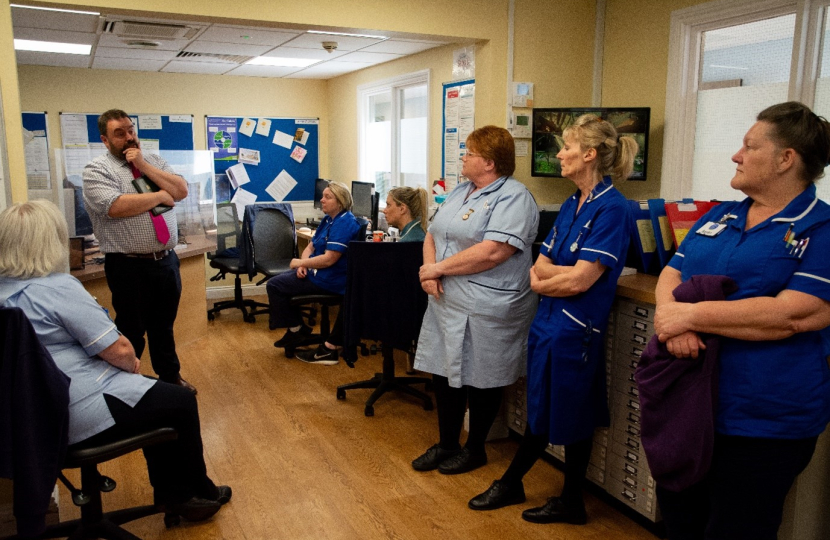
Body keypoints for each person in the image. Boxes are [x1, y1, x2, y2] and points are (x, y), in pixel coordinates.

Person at [650, 102, 830, 540]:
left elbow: (792, 313)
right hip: (690, 405)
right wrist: (673, 320)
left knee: (737, 528)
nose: (736, 155)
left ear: (786, 159)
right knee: (678, 521)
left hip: (763, 418)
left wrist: (687, 316)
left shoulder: (820, 228)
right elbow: (672, 273)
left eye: (749, 146)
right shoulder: (719, 216)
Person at [0, 200, 231, 524]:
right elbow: (122, 352)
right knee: (179, 400)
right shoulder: (56, 288)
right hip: (70, 409)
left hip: (24, 418)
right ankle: (195, 494)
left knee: (155, 394)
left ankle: (174, 493)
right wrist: (130, 365)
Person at [468, 114, 637, 525]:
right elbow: (540, 263)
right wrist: (554, 279)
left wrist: (550, 280)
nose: (559, 155)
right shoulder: (570, 203)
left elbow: (582, 279)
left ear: (589, 154)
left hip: (575, 328)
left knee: (570, 412)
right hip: (548, 321)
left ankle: (550, 493)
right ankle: (540, 490)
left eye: (566, 147)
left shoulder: (614, 210)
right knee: (543, 406)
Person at [411, 125, 539, 475]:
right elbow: (432, 233)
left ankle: (475, 448)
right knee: (443, 369)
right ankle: (447, 443)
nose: (462, 157)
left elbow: (493, 251)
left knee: (481, 375)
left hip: (488, 305)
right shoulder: (461, 191)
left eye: (468, 152)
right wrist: (429, 270)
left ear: (490, 163)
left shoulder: (514, 197)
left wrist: (437, 270)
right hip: (447, 299)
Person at [83, 109, 196, 394]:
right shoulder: (97, 170)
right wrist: (159, 195)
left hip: (166, 262)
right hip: (128, 265)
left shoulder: (154, 160)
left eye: (130, 130)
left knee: (163, 327)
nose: (129, 137)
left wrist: (144, 165)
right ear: (105, 140)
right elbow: (114, 206)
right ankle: (127, 386)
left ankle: (170, 379)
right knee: (131, 329)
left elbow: (181, 190)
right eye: (119, 134)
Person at [267, 181, 362, 365]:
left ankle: (297, 330)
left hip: (330, 280)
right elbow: (311, 245)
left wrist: (301, 262)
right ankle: (297, 329)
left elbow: (329, 259)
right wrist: (303, 263)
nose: (322, 200)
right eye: (323, 196)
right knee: (278, 283)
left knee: (275, 285)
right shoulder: (328, 219)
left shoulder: (345, 223)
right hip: (316, 273)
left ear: (340, 202)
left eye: (328, 197)